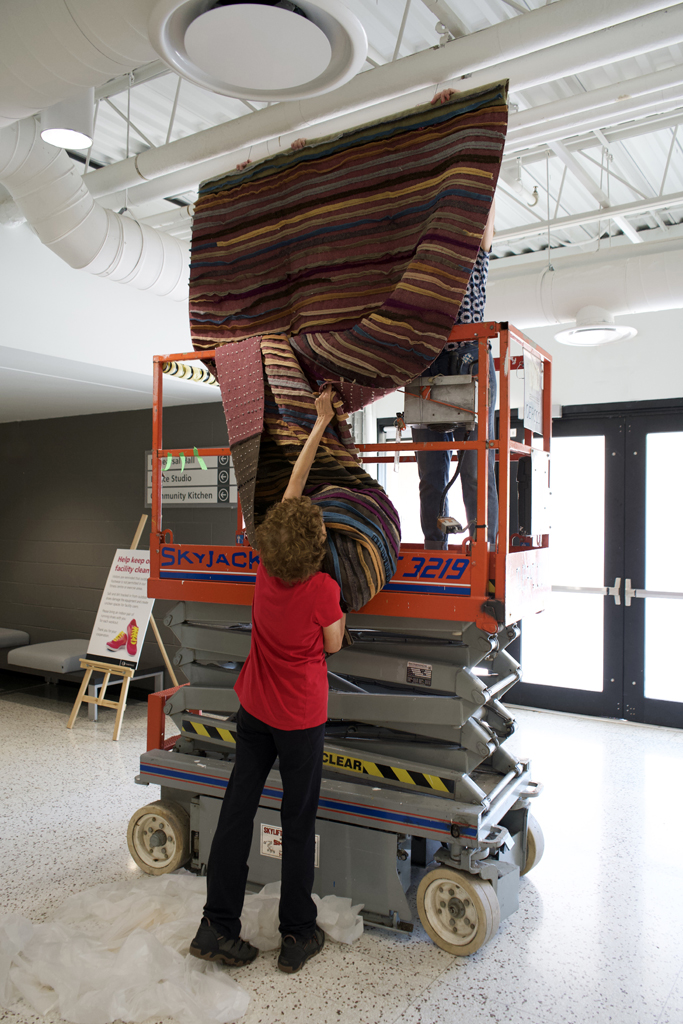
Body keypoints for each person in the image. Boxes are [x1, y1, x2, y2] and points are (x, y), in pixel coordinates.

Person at [190, 384, 346, 974]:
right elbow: (333, 644)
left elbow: (291, 493)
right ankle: (297, 935)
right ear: (316, 551)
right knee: (297, 821)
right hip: (300, 721)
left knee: (238, 809)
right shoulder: (322, 591)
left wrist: (320, 423)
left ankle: (217, 926)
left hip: (254, 709)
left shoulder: (265, 568)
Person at [413, 86, 498, 549]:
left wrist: (468, 128)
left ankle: (484, 546)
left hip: (467, 357)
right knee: (431, 471)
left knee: (473, 467)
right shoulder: (424, 255)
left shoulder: (474, 253)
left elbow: (484, 205)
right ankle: (436, 547)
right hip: (426, 358)